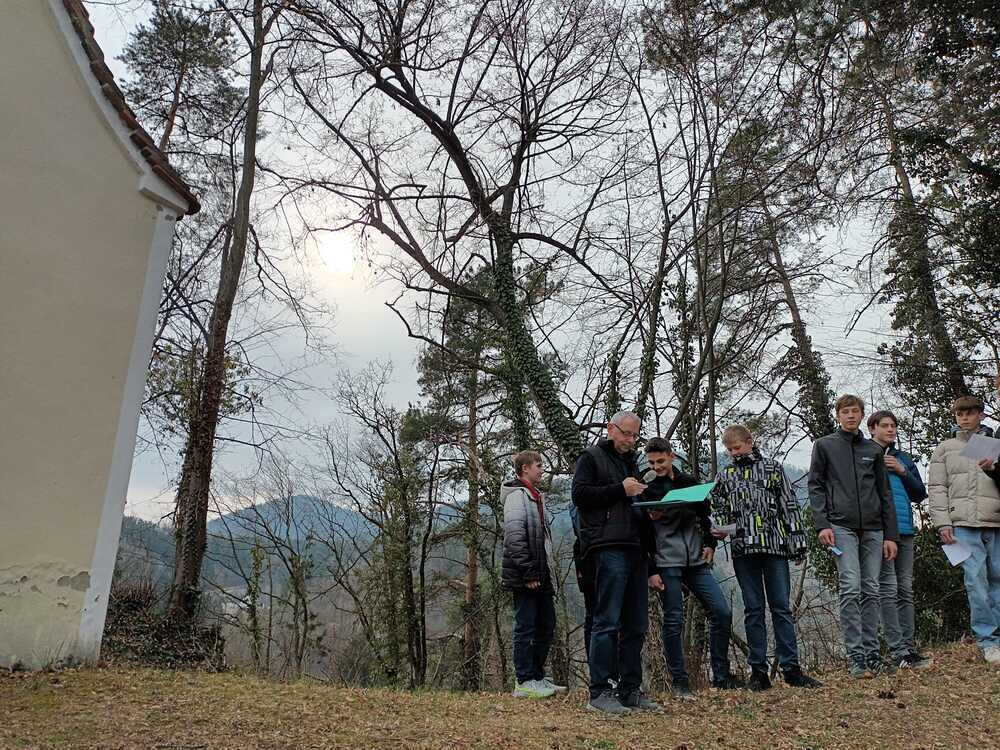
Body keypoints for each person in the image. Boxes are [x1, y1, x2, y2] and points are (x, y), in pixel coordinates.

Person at [711, 425, 823, 690]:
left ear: (750, 442)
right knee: (753, 610)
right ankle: (758, 672)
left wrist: (798, 544)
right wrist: (722, 527)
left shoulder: (773, 468)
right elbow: (717, 505)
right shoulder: (725, 475)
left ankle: (791, 669)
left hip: (775, 548)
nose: (734, 453)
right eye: (729, 449)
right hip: (743, 550)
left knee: (781, 608)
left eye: (737, 447)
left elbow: (789, 505)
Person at [572, 411, 661, 714]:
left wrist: (648, 509)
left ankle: (630, 689)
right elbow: (580, 495)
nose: (631, 440)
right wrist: (621, 490)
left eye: (635, 435)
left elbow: (631, 505)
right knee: (606, 621)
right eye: (626, 433)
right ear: (611, 429)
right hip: (606, 547)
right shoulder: (591, 458)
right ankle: (600, 691)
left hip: (636, 549)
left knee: (636, 624)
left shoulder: (630, 463)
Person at [642, 437, 742, 699]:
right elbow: (642, 533)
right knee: (673, 619)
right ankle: (680, 681)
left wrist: (710, 543)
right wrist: (651, 569)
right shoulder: (647, 490)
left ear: (671, 456)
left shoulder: (690, 483)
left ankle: (721, 676)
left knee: (721, 612)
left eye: (660, 461)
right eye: (651, 463)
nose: (657, 466)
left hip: (696, 561)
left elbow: (704, 516)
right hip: (666, 562)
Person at [808, 394, 899, 678]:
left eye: (855, 411)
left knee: (871, 588)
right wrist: (822, 524)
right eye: (845, 411)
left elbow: (885, 493)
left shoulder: (873, 450)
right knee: (850, 586)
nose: (850, 416)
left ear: (861, 415)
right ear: (838, 415)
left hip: (874, 528)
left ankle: (872, 654)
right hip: (840, 525)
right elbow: (815, 485)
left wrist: (891, 535)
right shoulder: (824, 445)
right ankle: (855, 657)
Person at [928, 395, 1000, 666]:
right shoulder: (945, 448)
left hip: (995, 522)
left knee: (998, 581)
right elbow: (937, 488)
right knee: (976, 582)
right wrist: (942, 523)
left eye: (970, 413)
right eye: (960, 414)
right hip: (963, 524)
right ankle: (988, 640)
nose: (965, 418)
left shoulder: (995, 444)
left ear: (981, 414)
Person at [866, 410, 932, 670]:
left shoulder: (902, 457)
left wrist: (902, 471)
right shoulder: (865, 455)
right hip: (880, 531)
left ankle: (909, 648)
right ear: (872, 428)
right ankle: (897, 650)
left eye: (893, 426)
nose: (891, 430)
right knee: (888, 589)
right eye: (885, 426)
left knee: (905, 589)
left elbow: (919, 493)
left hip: (905, 530)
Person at [502, 450, 566, 698]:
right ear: (525, 469)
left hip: (541, 573)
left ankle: (537, 677)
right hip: (526, 575)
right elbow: (515, 538)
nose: (542, 469)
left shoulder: (535, 497)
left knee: (546, 624)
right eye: (538, 465)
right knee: (526, 626)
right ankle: (524, 680)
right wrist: (528, 573)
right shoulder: (516, 497)